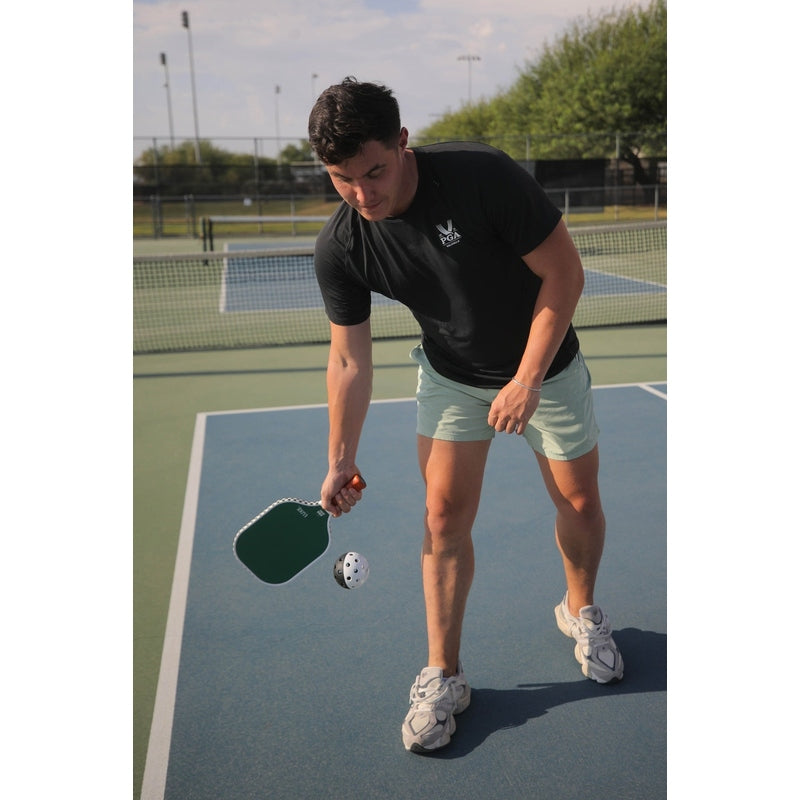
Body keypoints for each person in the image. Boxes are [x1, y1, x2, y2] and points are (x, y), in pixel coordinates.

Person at [308, 77, 623, 754]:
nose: (362, 194)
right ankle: (443, 675)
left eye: (374, 172)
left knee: (580, 501)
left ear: (402, 142)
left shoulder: (481, 178)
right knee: (443, 517)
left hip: (546, 366)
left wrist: (527, 379)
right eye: (341, 178)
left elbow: (564, 274)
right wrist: (340, 458)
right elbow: (348, 361)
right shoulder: (343, 246)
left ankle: (581, 609)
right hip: (452, 378)